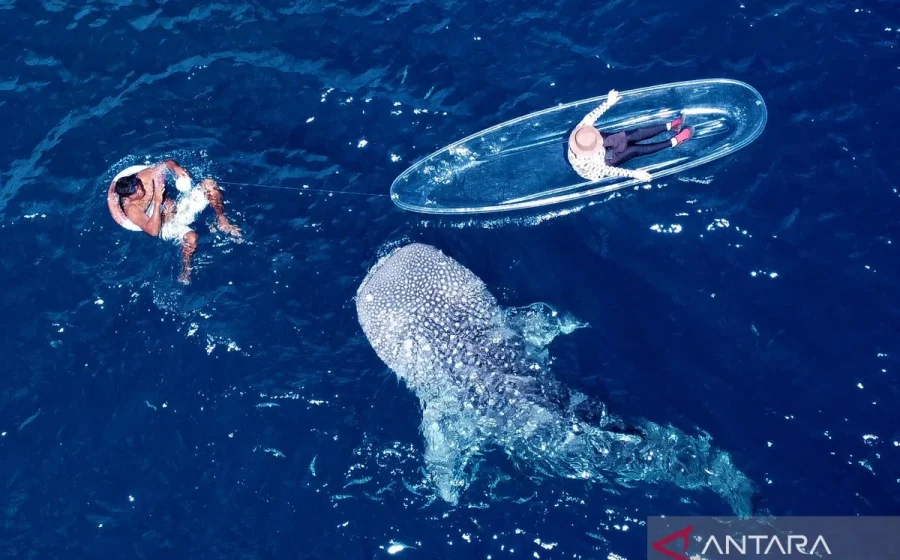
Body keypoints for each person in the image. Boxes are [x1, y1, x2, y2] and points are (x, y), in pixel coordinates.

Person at [107, 159, 241, 285]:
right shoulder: (132, 209)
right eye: (133, 191)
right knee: (192, 238)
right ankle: (186, 267)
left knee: (209, 184)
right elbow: (153, 231)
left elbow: (167, 163)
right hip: (165, 225)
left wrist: (176, 168)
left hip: (178, 209)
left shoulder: (144, 177)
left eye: (136, 185)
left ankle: (221, 219)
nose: (139, 190)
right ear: (127, 197)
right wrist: (157, 202)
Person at [567, 89, 693, 183]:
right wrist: (634, 174)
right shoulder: (585, 162)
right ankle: (674, 141)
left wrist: (608, 103)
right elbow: (609, 170)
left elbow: (590, 117)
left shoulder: (580, 134)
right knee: (634, 149)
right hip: (601, 163)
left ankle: (671, 126)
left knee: (631, 135)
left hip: (599, 150)